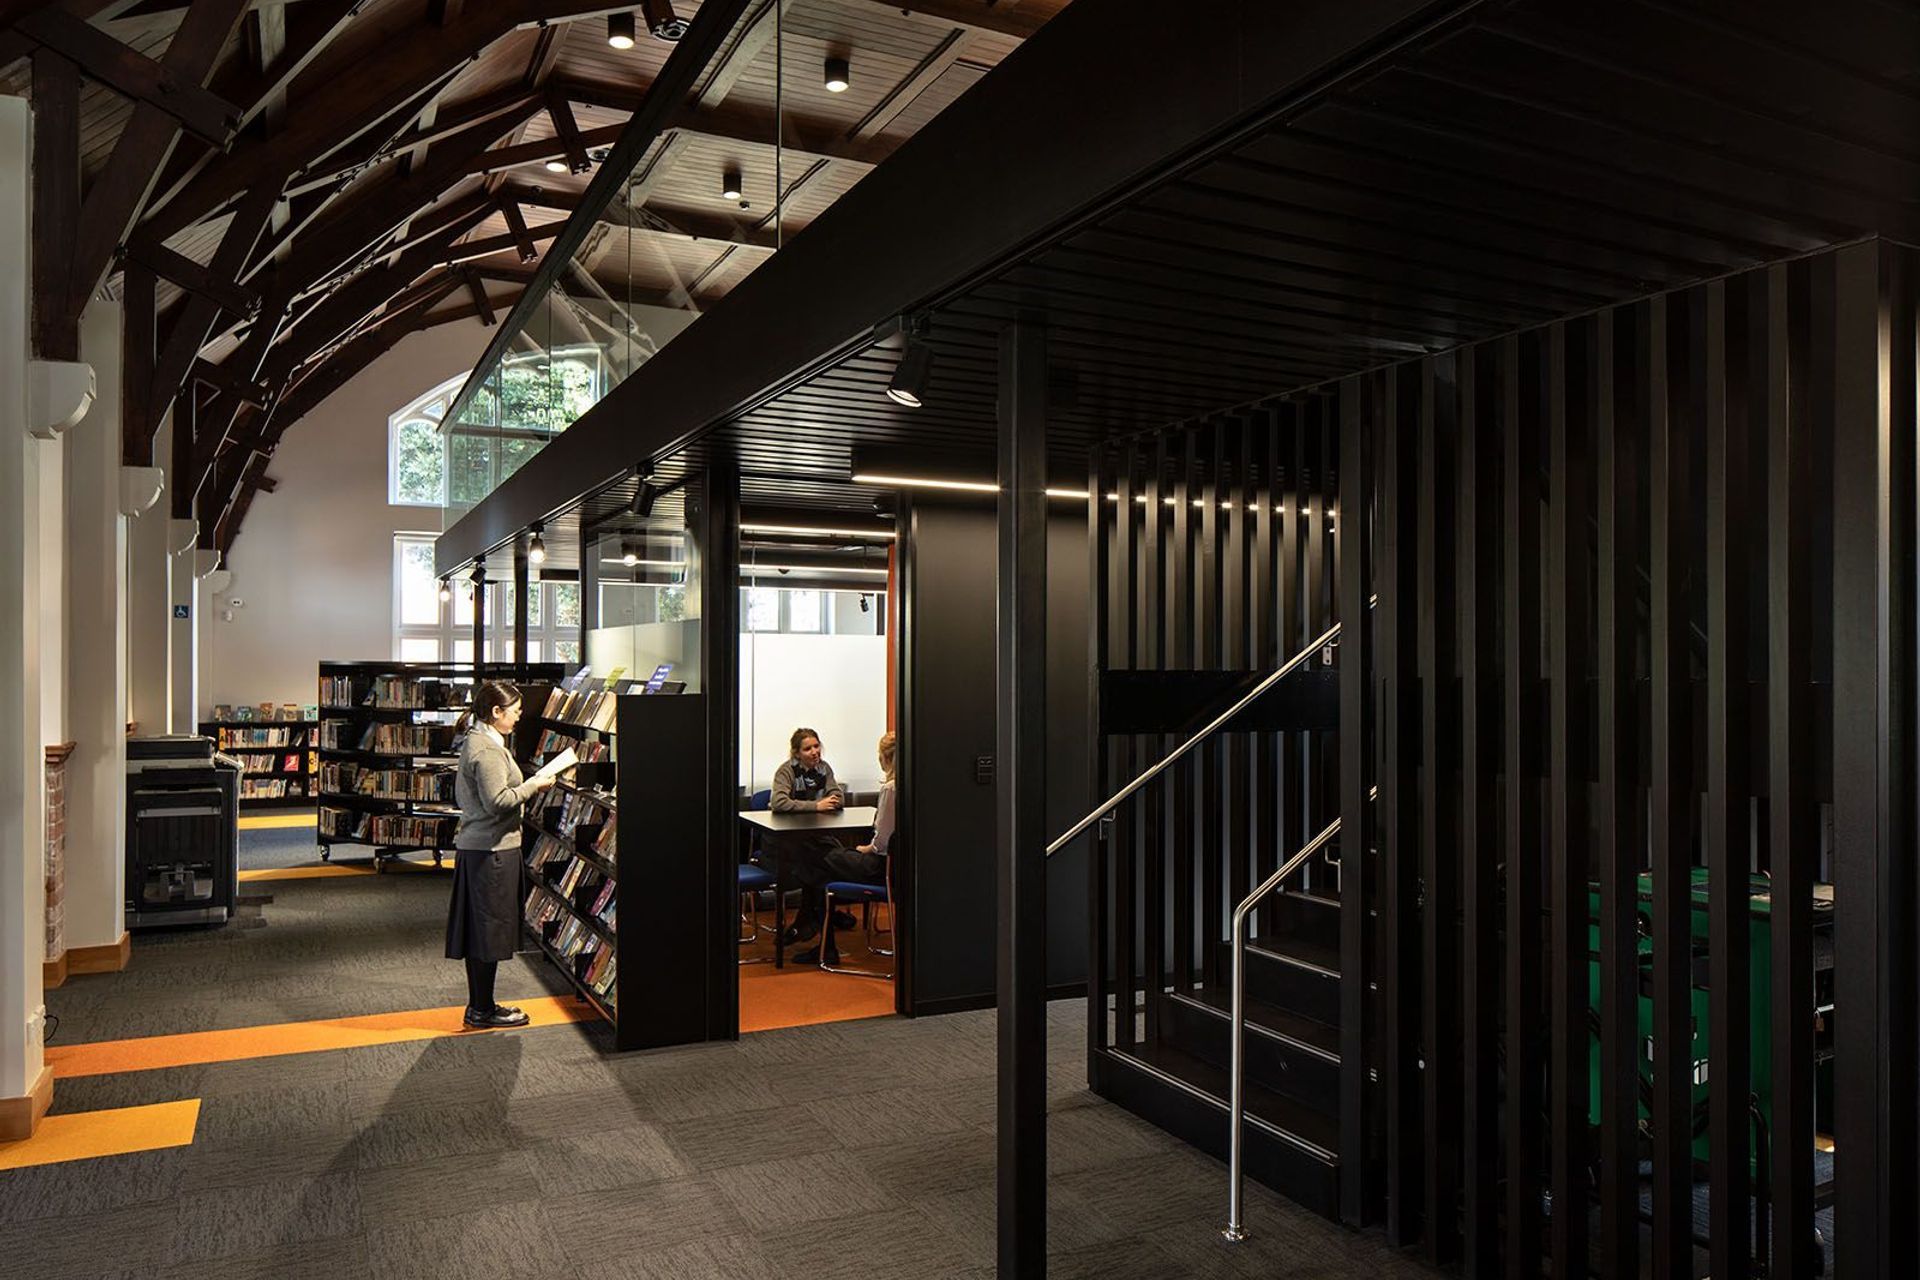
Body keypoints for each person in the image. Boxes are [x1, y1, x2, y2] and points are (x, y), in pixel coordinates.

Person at [447, 679, 556, 1029]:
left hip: (481, 847)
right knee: (488, 931)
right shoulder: (487, 750)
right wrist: (534, 785)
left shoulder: (479, 740)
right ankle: (481, 1009)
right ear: (496, 712)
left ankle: (481, 1004)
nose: (519, 717)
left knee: (483, 930)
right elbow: (497, 801)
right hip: (491, 850)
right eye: (515, 711)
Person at [796, 731, 895, 967]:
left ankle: (813, 932)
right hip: (897, 868)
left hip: (878, 867)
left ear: (886, 758)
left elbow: (881, 843)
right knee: (820, 863)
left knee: (812, 859)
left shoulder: (890, 789)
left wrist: (864, 849)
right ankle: (819, 935)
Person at [767, 727, 847, 944]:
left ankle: (807, 923)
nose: (814, 752)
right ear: (796, 753)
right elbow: (779, 802)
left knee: (822, 863)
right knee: (818, 867)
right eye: (808, 748)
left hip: (816, 837)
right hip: (788, 840)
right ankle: (817, 923)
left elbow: (838, 796)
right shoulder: (787, 771)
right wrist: (816, 806)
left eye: (816, 746)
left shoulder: (824, 768)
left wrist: (831, 801)